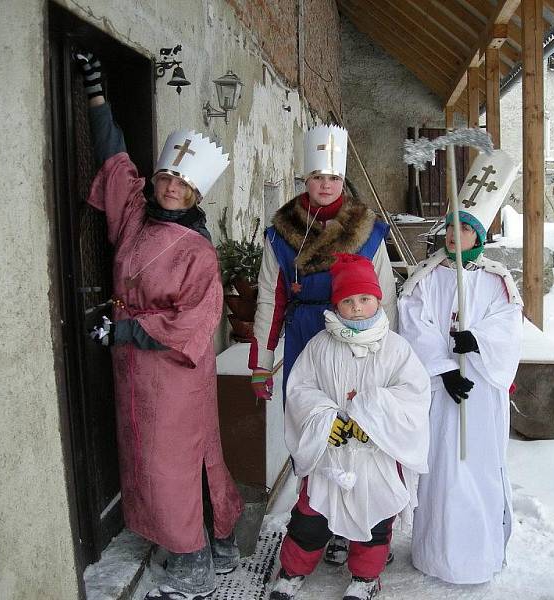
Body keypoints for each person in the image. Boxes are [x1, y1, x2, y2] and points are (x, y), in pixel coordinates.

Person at [77, 52, 242, 600]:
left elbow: (194, 322)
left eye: (182, 182)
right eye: (167, 175)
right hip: (134, 369)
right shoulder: (134, 220)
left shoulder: (199, 252)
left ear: (196, 194)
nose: (171, 185)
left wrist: (125, 332)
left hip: (173, 372)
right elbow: (116, 160)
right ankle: (211, 539)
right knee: (150, 457)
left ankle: (194, 556)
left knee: (175, 460)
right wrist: (96, 93)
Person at [249, 124, 397, 565]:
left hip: (357, 342)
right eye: (317, 177)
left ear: (341, 181)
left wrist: (385, 352)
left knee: (358, 430)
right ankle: (321, 522)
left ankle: (361, 526)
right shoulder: (281, 231)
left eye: (332, 178)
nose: (325, 185)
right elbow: (268, 298)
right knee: (313, 433)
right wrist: (262, 360)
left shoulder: (366, 230)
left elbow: (383, 294)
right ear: (305, 180)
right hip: (304, 334)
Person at [267, 254, 431, 600]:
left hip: (376, 458)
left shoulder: (397, 349)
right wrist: (327, 421)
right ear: (336, 304)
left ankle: (366, 578)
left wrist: (369, 418)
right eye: (348, 301)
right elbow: (301, 390)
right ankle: (292, 570)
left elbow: (413, 395)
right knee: (309, 517)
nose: (357, 308)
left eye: (364, 299)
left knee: (375, 521)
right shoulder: (319, 347)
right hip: (330, 457)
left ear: (377, 299)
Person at [398, 150, 523, 584]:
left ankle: (478, 552)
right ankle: (436, 552)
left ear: (479, 236)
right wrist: (443, 366)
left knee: (478, 467)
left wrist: (479, 342)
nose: (454, 235)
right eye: (449, 227)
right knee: (441, 468)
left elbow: (508, 328)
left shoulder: (496, 281)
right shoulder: (425, 278)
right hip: (441, 390)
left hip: (482, 392)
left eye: (464, 229)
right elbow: (414, 320)